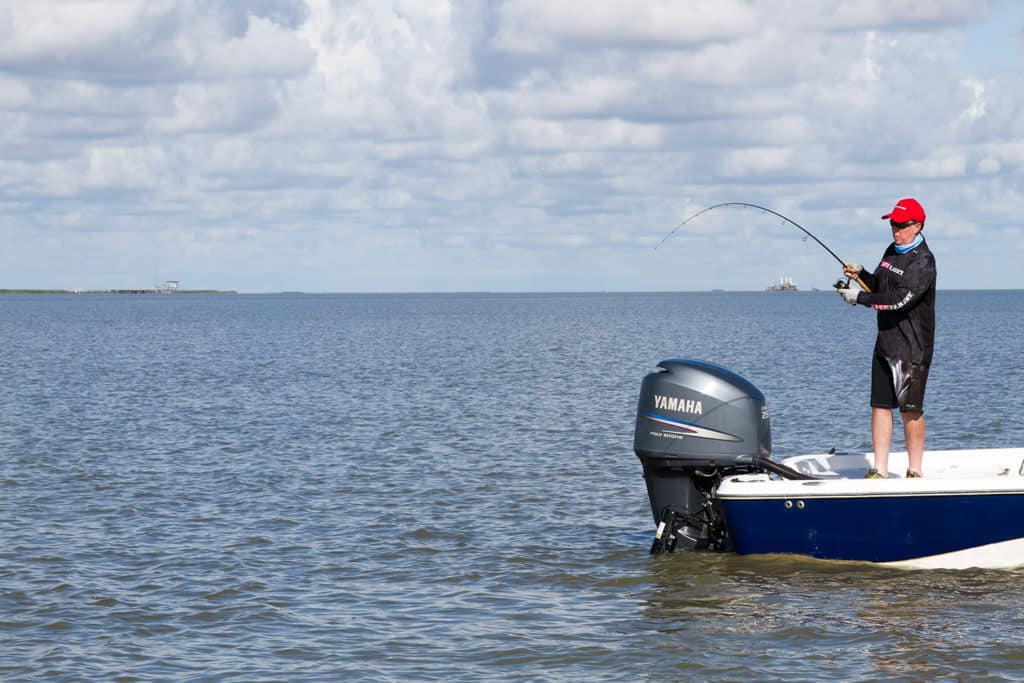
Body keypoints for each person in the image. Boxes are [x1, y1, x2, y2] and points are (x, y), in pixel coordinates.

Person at [837, 198, 937, 479]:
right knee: (880, 407)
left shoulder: (924, 261)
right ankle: (879, 469)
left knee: (910, 411)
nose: (895, 230)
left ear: (917, 226)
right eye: (893, 224)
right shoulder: (891, 251)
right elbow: (879, 287)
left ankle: (914, 470)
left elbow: (900, 301)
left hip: (913, 347)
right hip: (885, 343)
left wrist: (860, 299)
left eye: (901, 225)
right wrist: (860, 276)